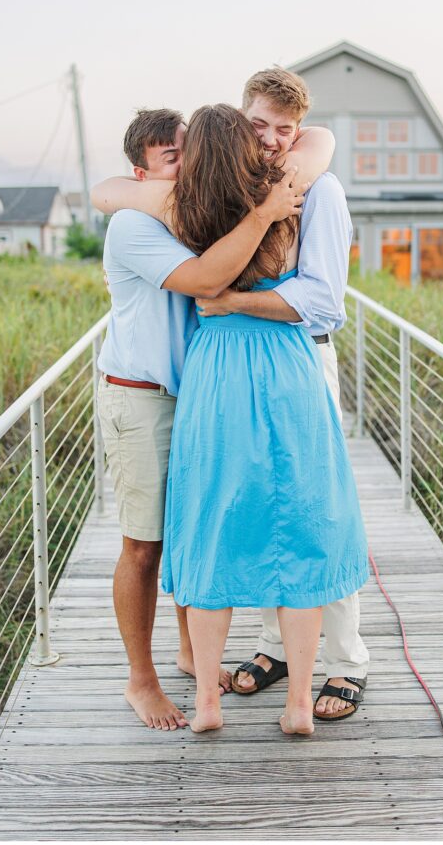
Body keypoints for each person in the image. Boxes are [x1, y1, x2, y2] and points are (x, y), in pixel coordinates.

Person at [95, 103, 369, 736]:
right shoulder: (144, 220)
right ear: (145, 172)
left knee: (218, 523)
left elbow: (320, 138)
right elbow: (205, 280)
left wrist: (267, 204)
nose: (186, 163)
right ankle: (145, 679)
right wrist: (268, 212)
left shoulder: (208, 204)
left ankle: (206, 663)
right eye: (172, 157)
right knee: (150, 542)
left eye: (192, 151)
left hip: (210, 381)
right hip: (147, 391)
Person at [198, 69, 370, 721]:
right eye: (260, 124)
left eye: (284, 129)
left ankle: (346, 660)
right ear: (241, 119)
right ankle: (276, 645)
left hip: (304, 362)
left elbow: (324, 301)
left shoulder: (318, 189)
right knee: (264, 502)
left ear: (299, 133)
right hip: (243, 371)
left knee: (320, 513)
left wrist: (233, 301)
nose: (271, 140)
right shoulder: (239, 190)